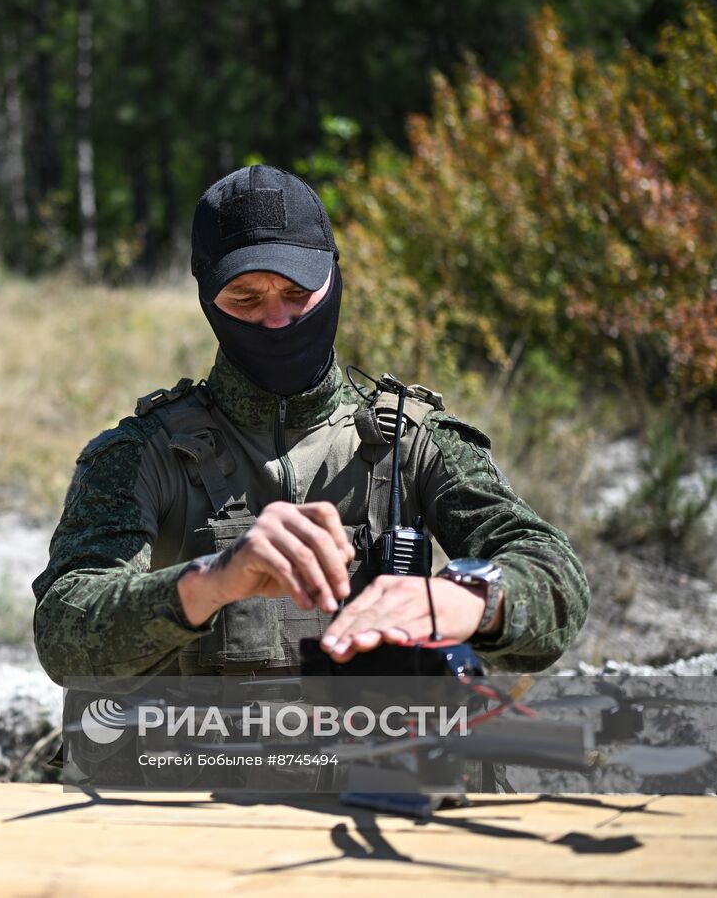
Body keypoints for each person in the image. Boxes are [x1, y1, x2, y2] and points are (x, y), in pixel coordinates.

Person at [32, 165, 590, 684]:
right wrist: (213, 581)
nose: (276, 320)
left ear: (333, 279)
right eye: (246, 299)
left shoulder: (416, 444)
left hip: (377, 773)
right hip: (194, 773)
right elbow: (63, 630)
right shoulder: (142, 455)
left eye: (298, 294)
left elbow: (554, 573)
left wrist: (469, 601)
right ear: (208, 300)